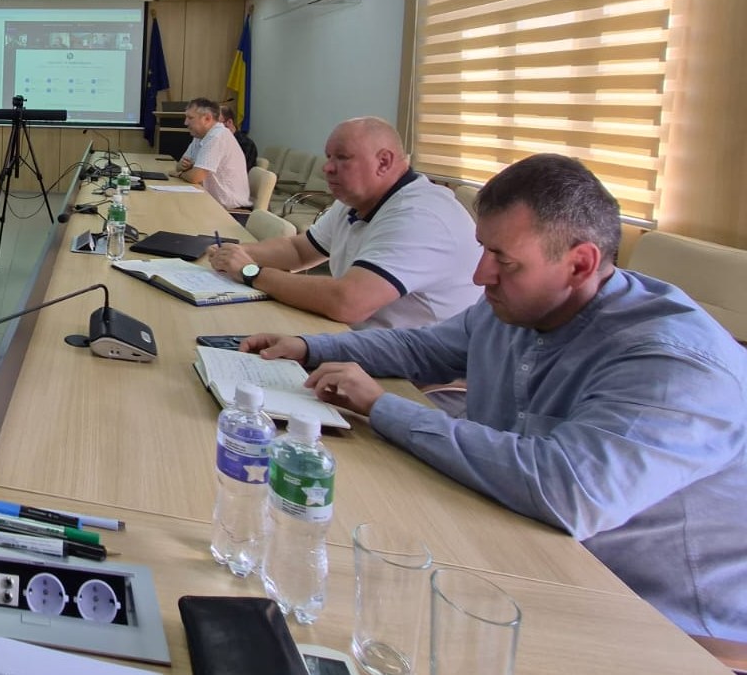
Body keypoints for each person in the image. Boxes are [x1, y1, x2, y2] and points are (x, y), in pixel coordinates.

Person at [244, 154, 747, 641]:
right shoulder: (522, 303)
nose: (480, 275)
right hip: (513, 538)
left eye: (503, 260)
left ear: (580, 264)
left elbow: (565, 490)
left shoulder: (674, 364)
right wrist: (310, 347)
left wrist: (382, 407)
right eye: (484, 249)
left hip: (657, 619)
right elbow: (422, 347)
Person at [209, 117, 479, 329]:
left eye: (342, 157)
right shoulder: (357, 199)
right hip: (361, 340)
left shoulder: (420, 216)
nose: (327, 167)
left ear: (383, 162)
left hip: (415, 372)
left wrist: (251, 272)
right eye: (328, 157)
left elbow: (348, 302)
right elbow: (299, 251)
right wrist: (233, 254)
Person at [176, 97, 250, 210]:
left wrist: (180, 174)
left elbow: (196, 177)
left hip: (229, 210)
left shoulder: (217, 136)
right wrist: (182, 168)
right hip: (210, 201)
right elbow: (179, 165)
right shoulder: (199, 135)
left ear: (207, 118)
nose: (185, 122)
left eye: (190, 118)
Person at [218, 103, 258, 171]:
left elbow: (241, 170)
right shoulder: (218, 141)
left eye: (217, 125)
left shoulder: (246, 144)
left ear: (229, 122)